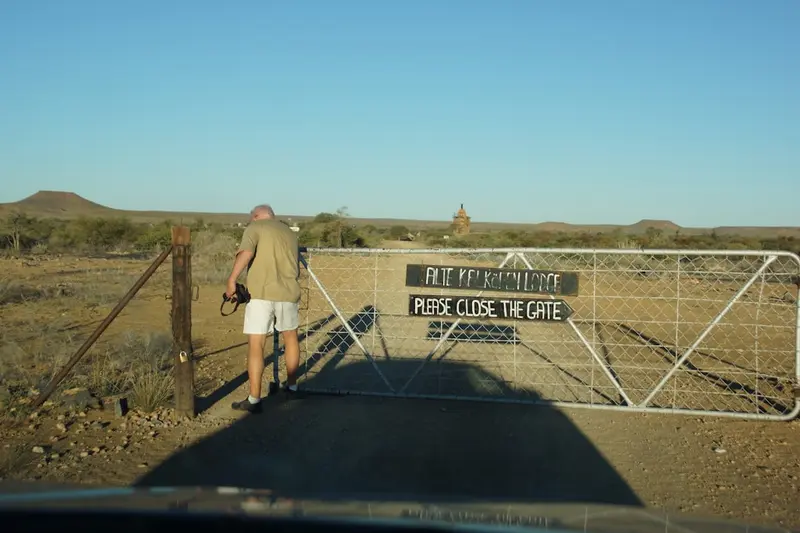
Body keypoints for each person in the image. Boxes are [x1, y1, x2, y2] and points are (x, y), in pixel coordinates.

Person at [225, 203, 301, 413]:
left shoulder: (254, 228)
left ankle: (254, 399)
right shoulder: (289, 232)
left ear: (257, 216)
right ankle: (293, 387)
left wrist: (232, 280)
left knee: (256, 344)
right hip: (288, 292)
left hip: (261, 295)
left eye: (252, 218)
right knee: (291, 338)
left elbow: (246, 253)